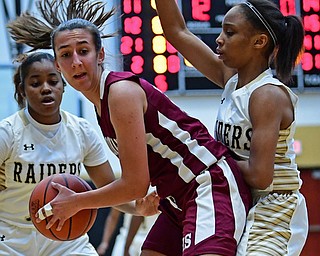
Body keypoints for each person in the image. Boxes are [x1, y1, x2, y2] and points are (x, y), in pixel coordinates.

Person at [7, 1, 252, 255]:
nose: (76, 62)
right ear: (58, 65)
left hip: (207, 183)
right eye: (66, 55)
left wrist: (76, 202)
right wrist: (134, 208)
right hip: (176, 197)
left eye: (84, 51)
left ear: (100, 55)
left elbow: (135, 184)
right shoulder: (100, 104)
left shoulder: (120, 92)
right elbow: (129, 187)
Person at [153, 0, 308, 255]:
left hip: (273, 206)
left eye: (230, 32)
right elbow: (177, 32)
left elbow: (260, 176)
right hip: (236, 196)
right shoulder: (231, 79)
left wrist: (205, 158)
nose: (219, 39)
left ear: (259, 42)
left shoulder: (267, 95)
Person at [0, 52, 115, 256]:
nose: (46, 88)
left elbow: (110, 189)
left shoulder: (81, 131)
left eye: (53, 81)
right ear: (22, 90)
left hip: (67, 240)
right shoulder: (8, 133)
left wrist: (139, 208)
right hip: (11, 238)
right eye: (35, 84)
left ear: (63, 86)